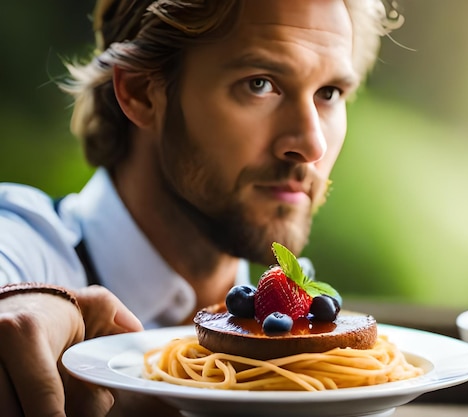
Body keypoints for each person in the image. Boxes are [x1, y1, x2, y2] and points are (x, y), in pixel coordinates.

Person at [0, 0, 401, 415]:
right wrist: (26, 305)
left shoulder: (303, 336)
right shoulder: (30, 250)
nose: (311, 145)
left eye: (329, 93)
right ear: (140, 91)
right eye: (260, 84)